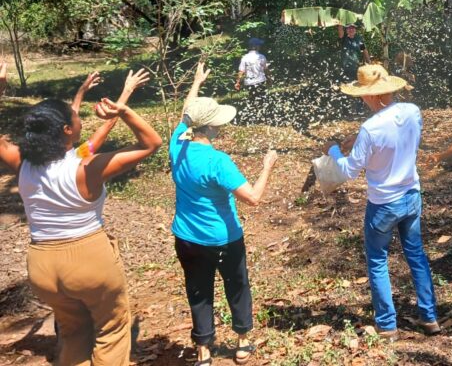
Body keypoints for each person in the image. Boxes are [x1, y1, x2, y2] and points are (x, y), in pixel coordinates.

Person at [0, 71, 160, 366]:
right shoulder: (86, 167)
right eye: (74, 116)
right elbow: (150, 143)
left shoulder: (21, 162)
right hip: (88, 258)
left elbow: (90, 129)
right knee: (111, 329)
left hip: (42, 265)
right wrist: (124, 110)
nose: (79, 116)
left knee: (73, 332)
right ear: (66, 130)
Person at [170, 62, 277, 366]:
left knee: (199, 291)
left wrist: (196, 82)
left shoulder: (177, 145)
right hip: (223, 239)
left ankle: (203, 351)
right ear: (211, 128)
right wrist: (267, 167)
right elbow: (253, 198)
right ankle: (242, 343)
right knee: (237, 286)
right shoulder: (218, 161)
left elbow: (185, 113)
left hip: (187, 238)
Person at [324, 64, 439, 339]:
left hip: (383, 204)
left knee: (377, 260)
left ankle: (387, 325)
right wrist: (359, 141)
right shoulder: (412, 111)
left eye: (363, 94)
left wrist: (334, 151)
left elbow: (350, 171)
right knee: (416, 255)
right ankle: (430, 317)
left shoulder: (370, 128)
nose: (362, 99)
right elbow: (400, 139)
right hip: (411, 195)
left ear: (373, 95)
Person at [235, 38, 269, 122]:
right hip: (260, 81)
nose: (260, 47)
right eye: (259, 45)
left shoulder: (245, 58)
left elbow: (241, 72)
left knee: (252, 98)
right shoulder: (261, 57)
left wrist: (238, 82)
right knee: (262, 98)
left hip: (249, 82)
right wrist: (269, 78)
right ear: (256, 47)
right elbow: (266, 70)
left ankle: (253, 116)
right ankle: (262, 116)